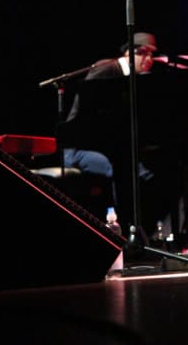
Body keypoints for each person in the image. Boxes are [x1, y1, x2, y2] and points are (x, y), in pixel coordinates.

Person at [62, 31, 158, 228]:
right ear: (128, 54)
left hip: (107, 146)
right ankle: (116, 226)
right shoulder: (106, 69)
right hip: (78, 148)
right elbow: (83, 117)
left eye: (152, 55)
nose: (149, 59)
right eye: (143, 53)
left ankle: (142, 228)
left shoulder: (135, 79)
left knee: (141, 170)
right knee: (113, 168)